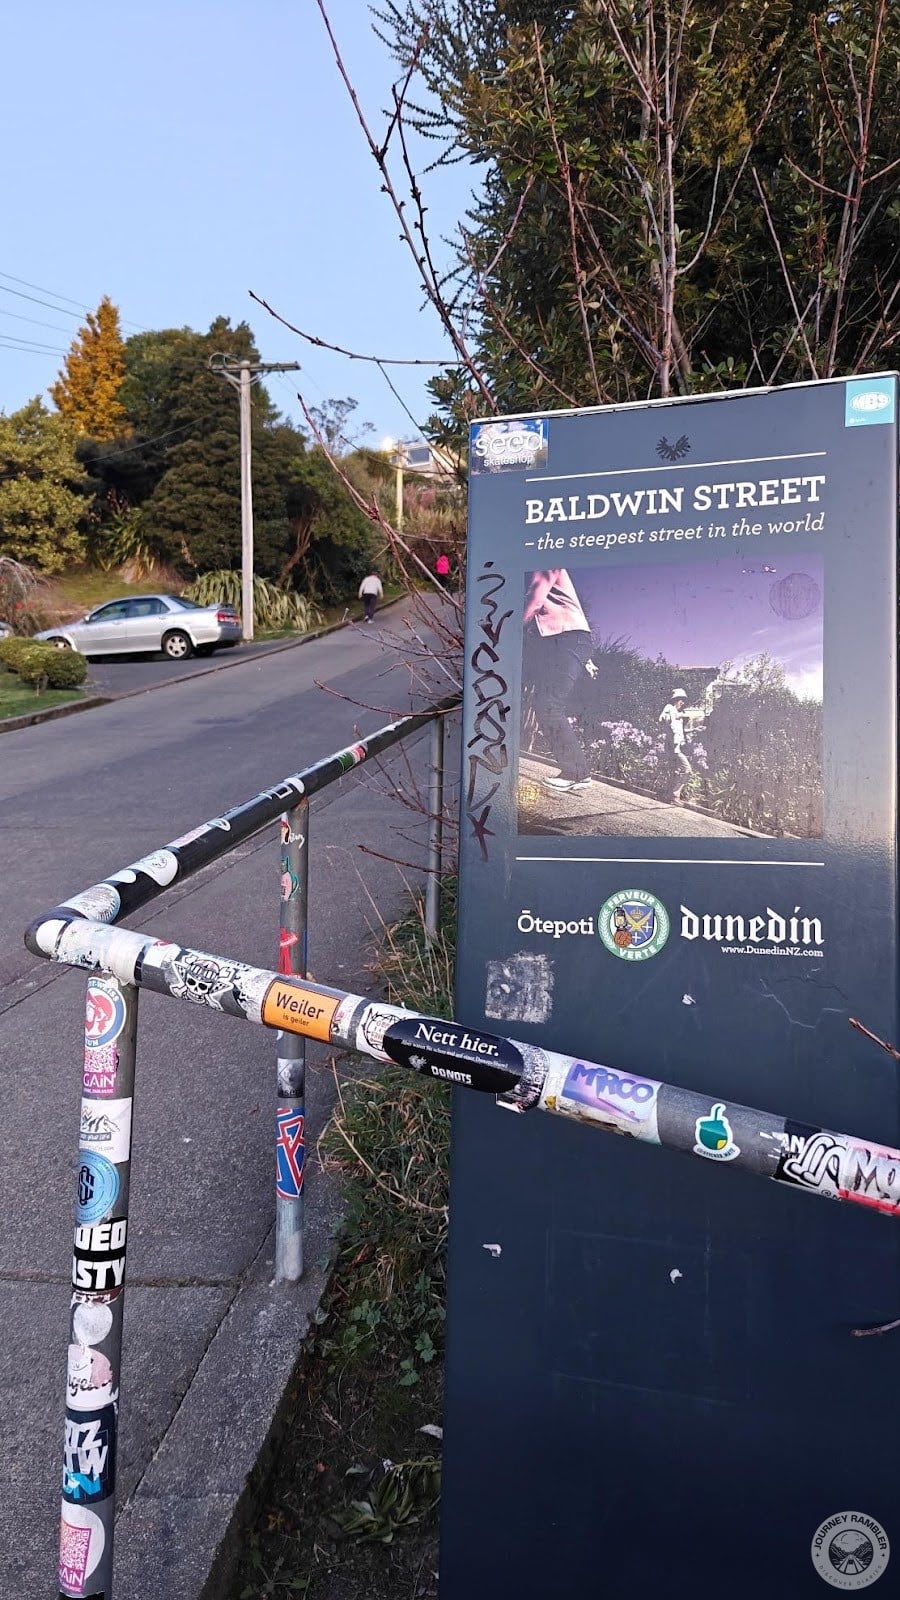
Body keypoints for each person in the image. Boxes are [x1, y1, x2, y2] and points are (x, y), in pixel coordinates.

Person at [523, 568, 598, 791]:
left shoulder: (546, 560)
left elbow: (535, 601)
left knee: (548, 704)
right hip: (564, 641)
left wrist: (508, 633)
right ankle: (577, 772)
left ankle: (576, 772)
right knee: (544, 703)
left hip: (567, 639)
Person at [659, 686, 693, 802]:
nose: (682, 703)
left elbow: (681, 731)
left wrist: (695, 730)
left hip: (677, 747)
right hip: (673, 748)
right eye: (681, 700)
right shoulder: (669, 709)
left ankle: (671, 796)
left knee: (675, 771)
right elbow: (664, 719)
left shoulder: (679, 713)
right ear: (675, 700)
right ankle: (675, 795)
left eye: (683, 701)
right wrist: (670, 717)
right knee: (687, 769)